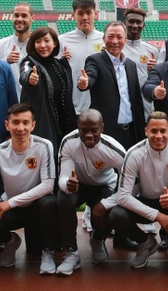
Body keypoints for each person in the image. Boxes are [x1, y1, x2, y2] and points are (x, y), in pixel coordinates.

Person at [0, 103, 59, 273]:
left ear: (33, 125)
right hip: (13, 209)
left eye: (25, 122)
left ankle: (48, 252)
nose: (20, 128)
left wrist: (11, 202)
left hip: (36, 206)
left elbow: (48, 185)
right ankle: (11, 242)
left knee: (50, 203)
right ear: (7, 125)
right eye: (15, 122)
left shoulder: (44, 145)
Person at [109, 111, 168, 271]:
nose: (158, 136)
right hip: (148, 201)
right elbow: (123, 196)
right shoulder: (134, 153)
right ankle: (145, 242)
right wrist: (157, 216)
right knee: (116, 214)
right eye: (154, 131)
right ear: (146, 131)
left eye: (163, 131)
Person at [56, 109, 127, 275]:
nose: (88, 135)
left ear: (102, 128)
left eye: (94, 130)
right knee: (63, 200)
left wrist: (106, 203)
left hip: (103, 185)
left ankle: (97, 238)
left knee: (112, 210)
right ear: (78, 128)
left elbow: (131, 184)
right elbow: (63, 177)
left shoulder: (114, 149)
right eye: (84, 130)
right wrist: (67, 185)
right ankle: (71, 252)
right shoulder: (68, 142)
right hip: (78, 185)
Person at [77, 21, 145, 149]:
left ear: (125, 40)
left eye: (119, 37)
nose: (115, 41)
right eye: (110, 36)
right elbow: (90, 75)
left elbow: (137, 101)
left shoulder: (130, 65)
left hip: (131, 132)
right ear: (103, 39)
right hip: (107, 132)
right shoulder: (95, 60)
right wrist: (85, 83)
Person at [19, 26, 76, 147]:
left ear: (54, 43)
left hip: (64, 125)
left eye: (46, 40)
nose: (42, 45)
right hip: (41, 127)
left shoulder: (59, 65)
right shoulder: (29, 62)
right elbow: (25, 73)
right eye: (38, 41)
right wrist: (30, 78)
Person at [58, 0, 104, 113]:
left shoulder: (104, 40)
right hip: (72, 106)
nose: (85, 17)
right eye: (80, 13)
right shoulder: (62, 41)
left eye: (89, 13)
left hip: (100, 106)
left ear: (95, 14)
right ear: (73, 15)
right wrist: (61, 61)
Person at [124, 7, 163, 115]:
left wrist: (155, 69)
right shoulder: (117, 49)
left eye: (138, 22)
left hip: (144, 105)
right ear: (124, 23)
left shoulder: (153, 50)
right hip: (121, 104)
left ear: (143, 25)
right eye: (131, 21)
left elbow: (159, 78)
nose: (135, 25)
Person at [0, 2, 34, 99]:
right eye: (16, 15)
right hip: (8, 103)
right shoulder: (0, 45)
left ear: (32, 18)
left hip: (32, 103)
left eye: (24, 16)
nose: (19, 19)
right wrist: (6, 61)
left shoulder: (38, 46)